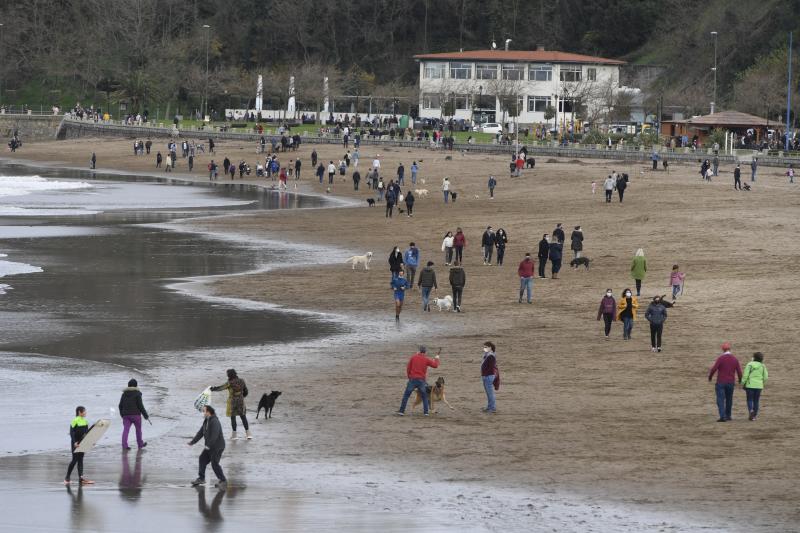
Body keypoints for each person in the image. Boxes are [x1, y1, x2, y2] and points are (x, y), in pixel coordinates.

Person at [188, 405, 227, 489]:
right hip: (209, 446)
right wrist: (193, 442)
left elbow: (215, 435)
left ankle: (223, 481)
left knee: (214, 463)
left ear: (208, 412)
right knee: (202, 459)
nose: (203, 413)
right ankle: (201, 478)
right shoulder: (206, 421)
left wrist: (208, 445)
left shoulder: (214, 421)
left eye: (204, 411)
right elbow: (200, 433)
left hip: (217, 446)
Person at [396, 346, 440, 416]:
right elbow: (435, 365)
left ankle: (401, 411)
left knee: (406, 395)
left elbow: (408, 368)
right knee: (424, 396)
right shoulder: (426, 359)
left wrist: (409, 377)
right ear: (425, 352)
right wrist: (437, 358)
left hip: (412, 379)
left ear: (419, 351)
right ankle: (426, 413)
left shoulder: (413, 357)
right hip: (421, 381)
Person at [210, 369, 250, 440]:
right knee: (243, 417)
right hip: (241, 401)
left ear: (229, 375)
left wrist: (212, 389)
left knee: (233, 418)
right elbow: (246, 391)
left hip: (232, 402)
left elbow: (221, 388)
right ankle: (248, 434)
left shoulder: (229, 383)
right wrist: (241, 396)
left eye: (227, 374)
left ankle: (234, 435)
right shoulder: (242, 380)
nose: (227, 375)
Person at [708, 343, 743, 422]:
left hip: (721, 381)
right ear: (730, 349)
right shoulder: (735, 359)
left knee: (720, 399)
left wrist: (710, 376)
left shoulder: (721, 358)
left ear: (723, 349)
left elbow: (714, 368)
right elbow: (739, 372)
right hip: (731, 382)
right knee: (729, 399)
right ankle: (728, 415)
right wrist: (740, 380)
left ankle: (722, 416)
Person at [65, 406, 93, 485]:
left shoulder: (85, 421)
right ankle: (67, 477)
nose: (85, 413)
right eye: (84, 411)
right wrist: (74, 442)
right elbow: (72, 433)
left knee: (80, 460)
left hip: (83, 443)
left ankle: (81, 478)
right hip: (76, 443)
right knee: (74, 460)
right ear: (79, 412)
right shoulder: (74, 421)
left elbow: (87, 434)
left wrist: (91, 441)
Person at [119, 379, 149, 450]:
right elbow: (140, 406)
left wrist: (122, 414)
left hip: (126, 416)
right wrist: (145, 415)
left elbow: (120, 405)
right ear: (136, 385)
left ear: (128, 385)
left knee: (126, 430)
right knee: (138, 430)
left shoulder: (124, 394)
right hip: (136, 415)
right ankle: (140, 444)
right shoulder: (137, 394)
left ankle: (124, 445)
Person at [742, 352, 768, 421]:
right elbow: (765, 377)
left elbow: (745, 375)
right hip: (759, 386)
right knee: (756, 401)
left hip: (750, 385)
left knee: (749, 399)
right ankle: (754, 416)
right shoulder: (763, 366)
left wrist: (742, 383)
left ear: (754, 357)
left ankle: (751, 411)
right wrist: (762, 382)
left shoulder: (749, 364)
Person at [480, 342, 499, 413]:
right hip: (487, 376)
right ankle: (489, 407)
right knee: (489, 393)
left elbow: (491, 367)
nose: (484, 348)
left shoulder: (490, 356)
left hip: (488, 376)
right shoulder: (488, 355)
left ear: (490, 347)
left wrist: (485, 374)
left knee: (490, 394)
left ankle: (492, 408)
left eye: (486, 347)